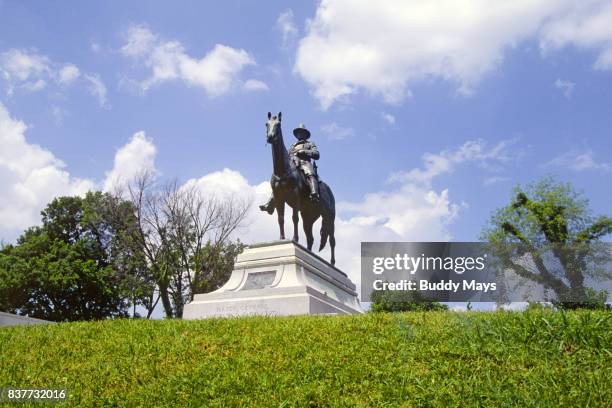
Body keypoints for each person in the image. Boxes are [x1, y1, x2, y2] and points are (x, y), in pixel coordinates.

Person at [260, 123, 320, 214]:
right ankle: (270, 204)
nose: (300, 134)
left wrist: (304, 151)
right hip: (293, 164)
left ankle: (314, 193)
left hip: (304, 163)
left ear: (305, 134)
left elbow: (316, 154)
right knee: (280, 180)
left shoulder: (310, 143)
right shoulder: (293, 146)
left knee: (310, 173)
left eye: (302, 132)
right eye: (298, 132)